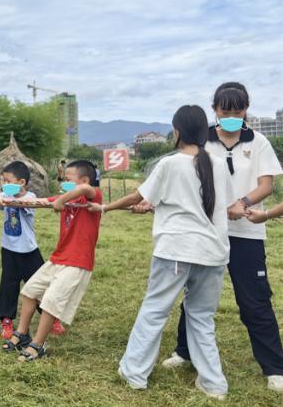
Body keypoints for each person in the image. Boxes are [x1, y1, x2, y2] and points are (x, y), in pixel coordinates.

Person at [91, 105, 233, 400]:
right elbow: (218, 205)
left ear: (177, 131)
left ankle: (134, 374)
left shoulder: (170, 164)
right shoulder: (219, 164)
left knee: (155, 310)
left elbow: (138, 196)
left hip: (176, 249)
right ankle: (214, 384)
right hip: (213, 251)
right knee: (202, 317)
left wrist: (105, 207)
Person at [162, 83, 283, 394]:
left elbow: (266, 185)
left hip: (246, 231)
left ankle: (274, 367)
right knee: (196, 294)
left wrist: (242, 203)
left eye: (237, 111)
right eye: (225, 111)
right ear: (214, 110)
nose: (231, 116)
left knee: (255, 299)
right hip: (207, 231)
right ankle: (185, 351)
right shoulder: (201, 141)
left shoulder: (258, 142)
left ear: (246, 110)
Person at [0, 160, 102, 362]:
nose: (64, 183)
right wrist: (4, 200)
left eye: (68, 179)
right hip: (58, 258)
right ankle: (22, 334)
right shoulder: (67, 197)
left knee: (51, 301)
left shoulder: (93, 196)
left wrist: (62, 199)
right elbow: (39, 202)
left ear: (84, 179)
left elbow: (85, 189)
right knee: (30, 291)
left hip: (78, 262)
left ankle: (38, 345)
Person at [0, 161, 54, 339]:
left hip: (29, 251)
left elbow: (22, 204)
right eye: (3, 180)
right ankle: (7, 320)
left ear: (21, 183)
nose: (4, 184)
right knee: (8, 285)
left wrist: (5, 200)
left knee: (40, 286)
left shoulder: (31, 197)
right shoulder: (5, 194)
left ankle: (51, 317)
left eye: (8, 181)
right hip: (9, 250)